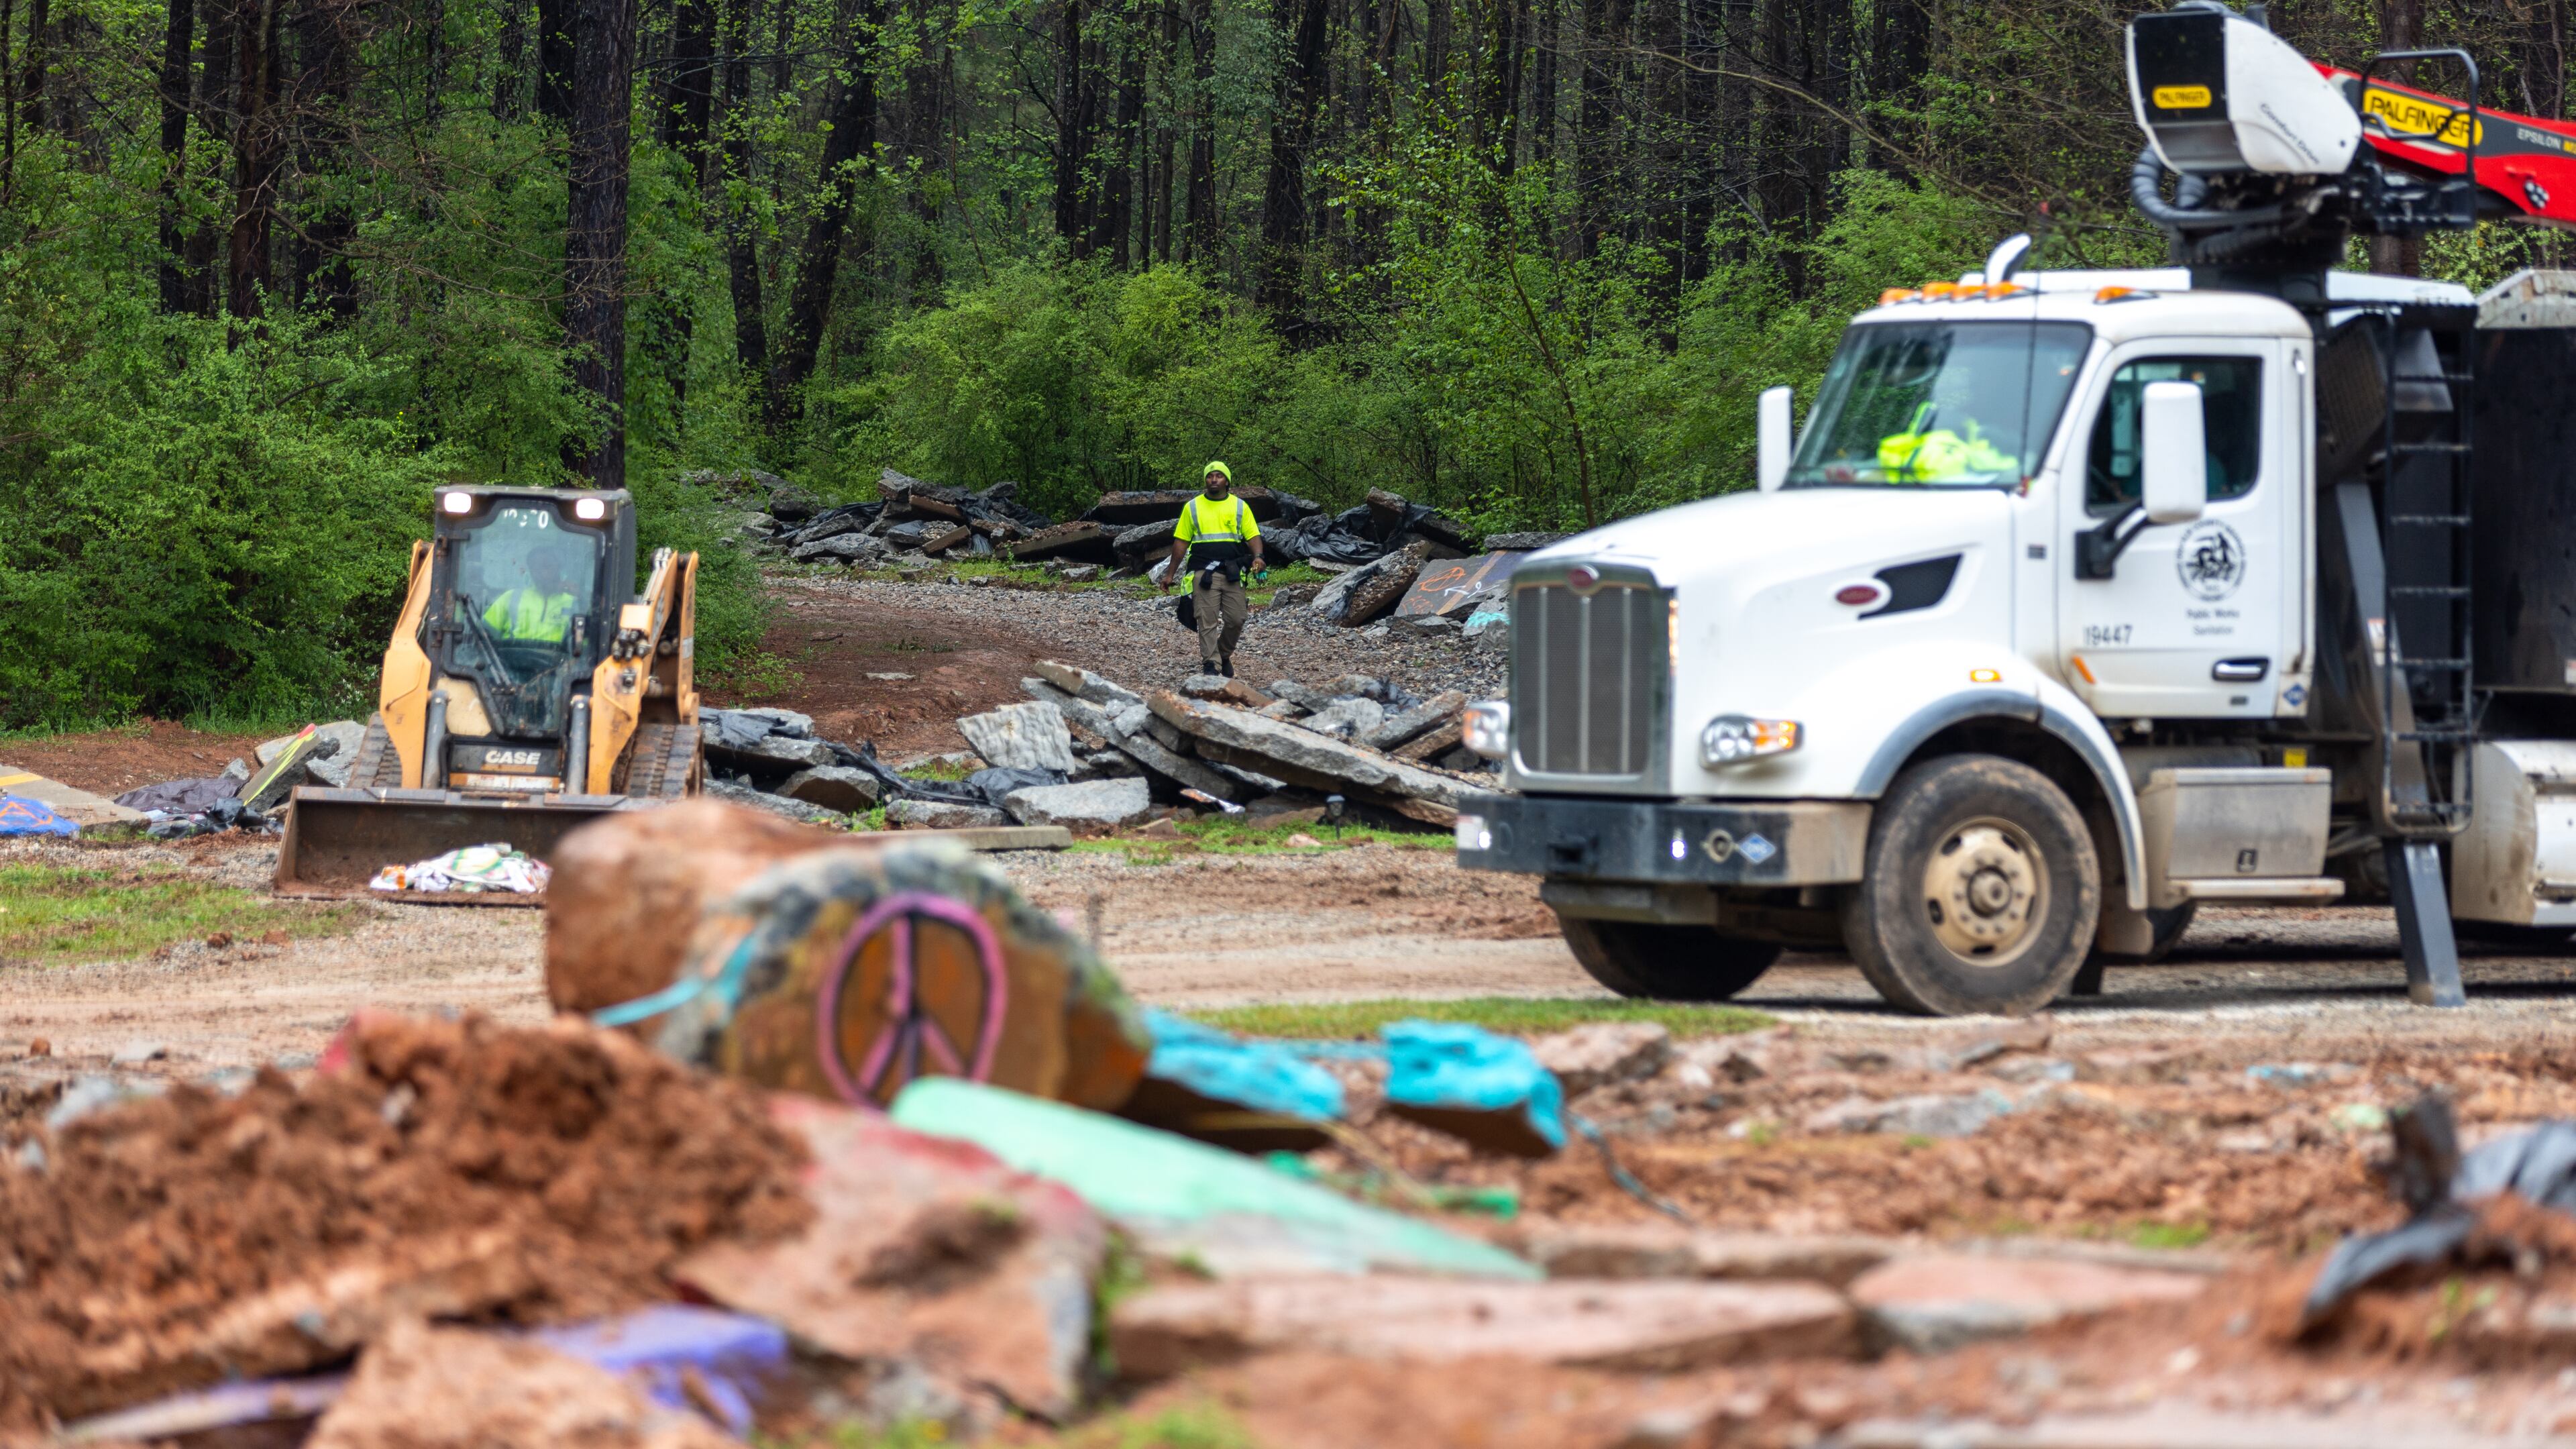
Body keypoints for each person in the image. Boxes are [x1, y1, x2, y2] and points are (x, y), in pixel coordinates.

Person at [1162, 461, 1263, 677]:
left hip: (1233, 573)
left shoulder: (1239, 506)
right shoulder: (1193, 507)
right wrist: (1170, 573)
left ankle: (1223, 654)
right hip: (1203, 572)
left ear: (1227, 481)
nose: (1214, 480)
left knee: (1237, 619)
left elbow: (1253, 535)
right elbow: (1181, 542)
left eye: (1219, 476)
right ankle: (1211, 665)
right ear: (1206, 480)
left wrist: (1259, 557)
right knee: (1206, 620)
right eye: (1210, 476)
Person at [484, 549, 579, 644]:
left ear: (558, 568)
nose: (543, 573)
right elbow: (484, 635)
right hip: (510, 657)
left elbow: (582, 646)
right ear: (531, 571)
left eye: (547, 566)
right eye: (536, 568)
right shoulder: (512, 597)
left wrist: (581, 598)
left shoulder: (574, 603)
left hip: (557, 657)